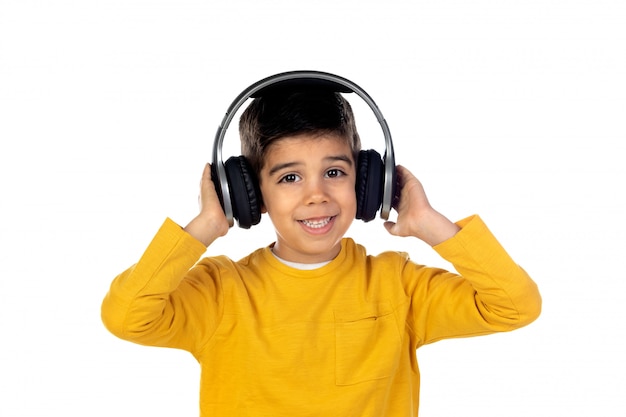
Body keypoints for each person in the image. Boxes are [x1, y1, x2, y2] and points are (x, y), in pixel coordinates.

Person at [101, 79, 541, 417]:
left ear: (368, 182)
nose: (317, 195)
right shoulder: (220, 292)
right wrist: (203, 227)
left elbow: (514, 306)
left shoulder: (398, 284)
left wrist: (429, 224)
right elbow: (126, 318)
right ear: (249, 194)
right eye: (289, 178)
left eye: (334, 172)